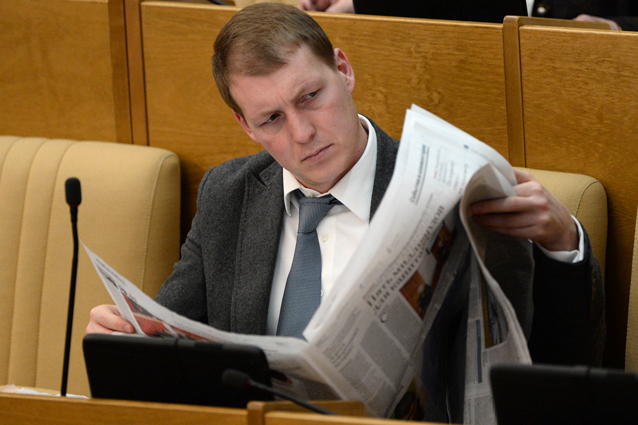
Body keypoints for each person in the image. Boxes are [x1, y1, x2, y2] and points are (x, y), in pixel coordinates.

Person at [87, 3, 604, 367]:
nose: (302, 133)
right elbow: (170, 340)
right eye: (271, 119)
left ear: (343, 69)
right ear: (245, 126)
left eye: (310, 96)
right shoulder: (228, 194)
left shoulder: (449, 190)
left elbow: (545, 368)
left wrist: (563, 243)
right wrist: (125, 341)